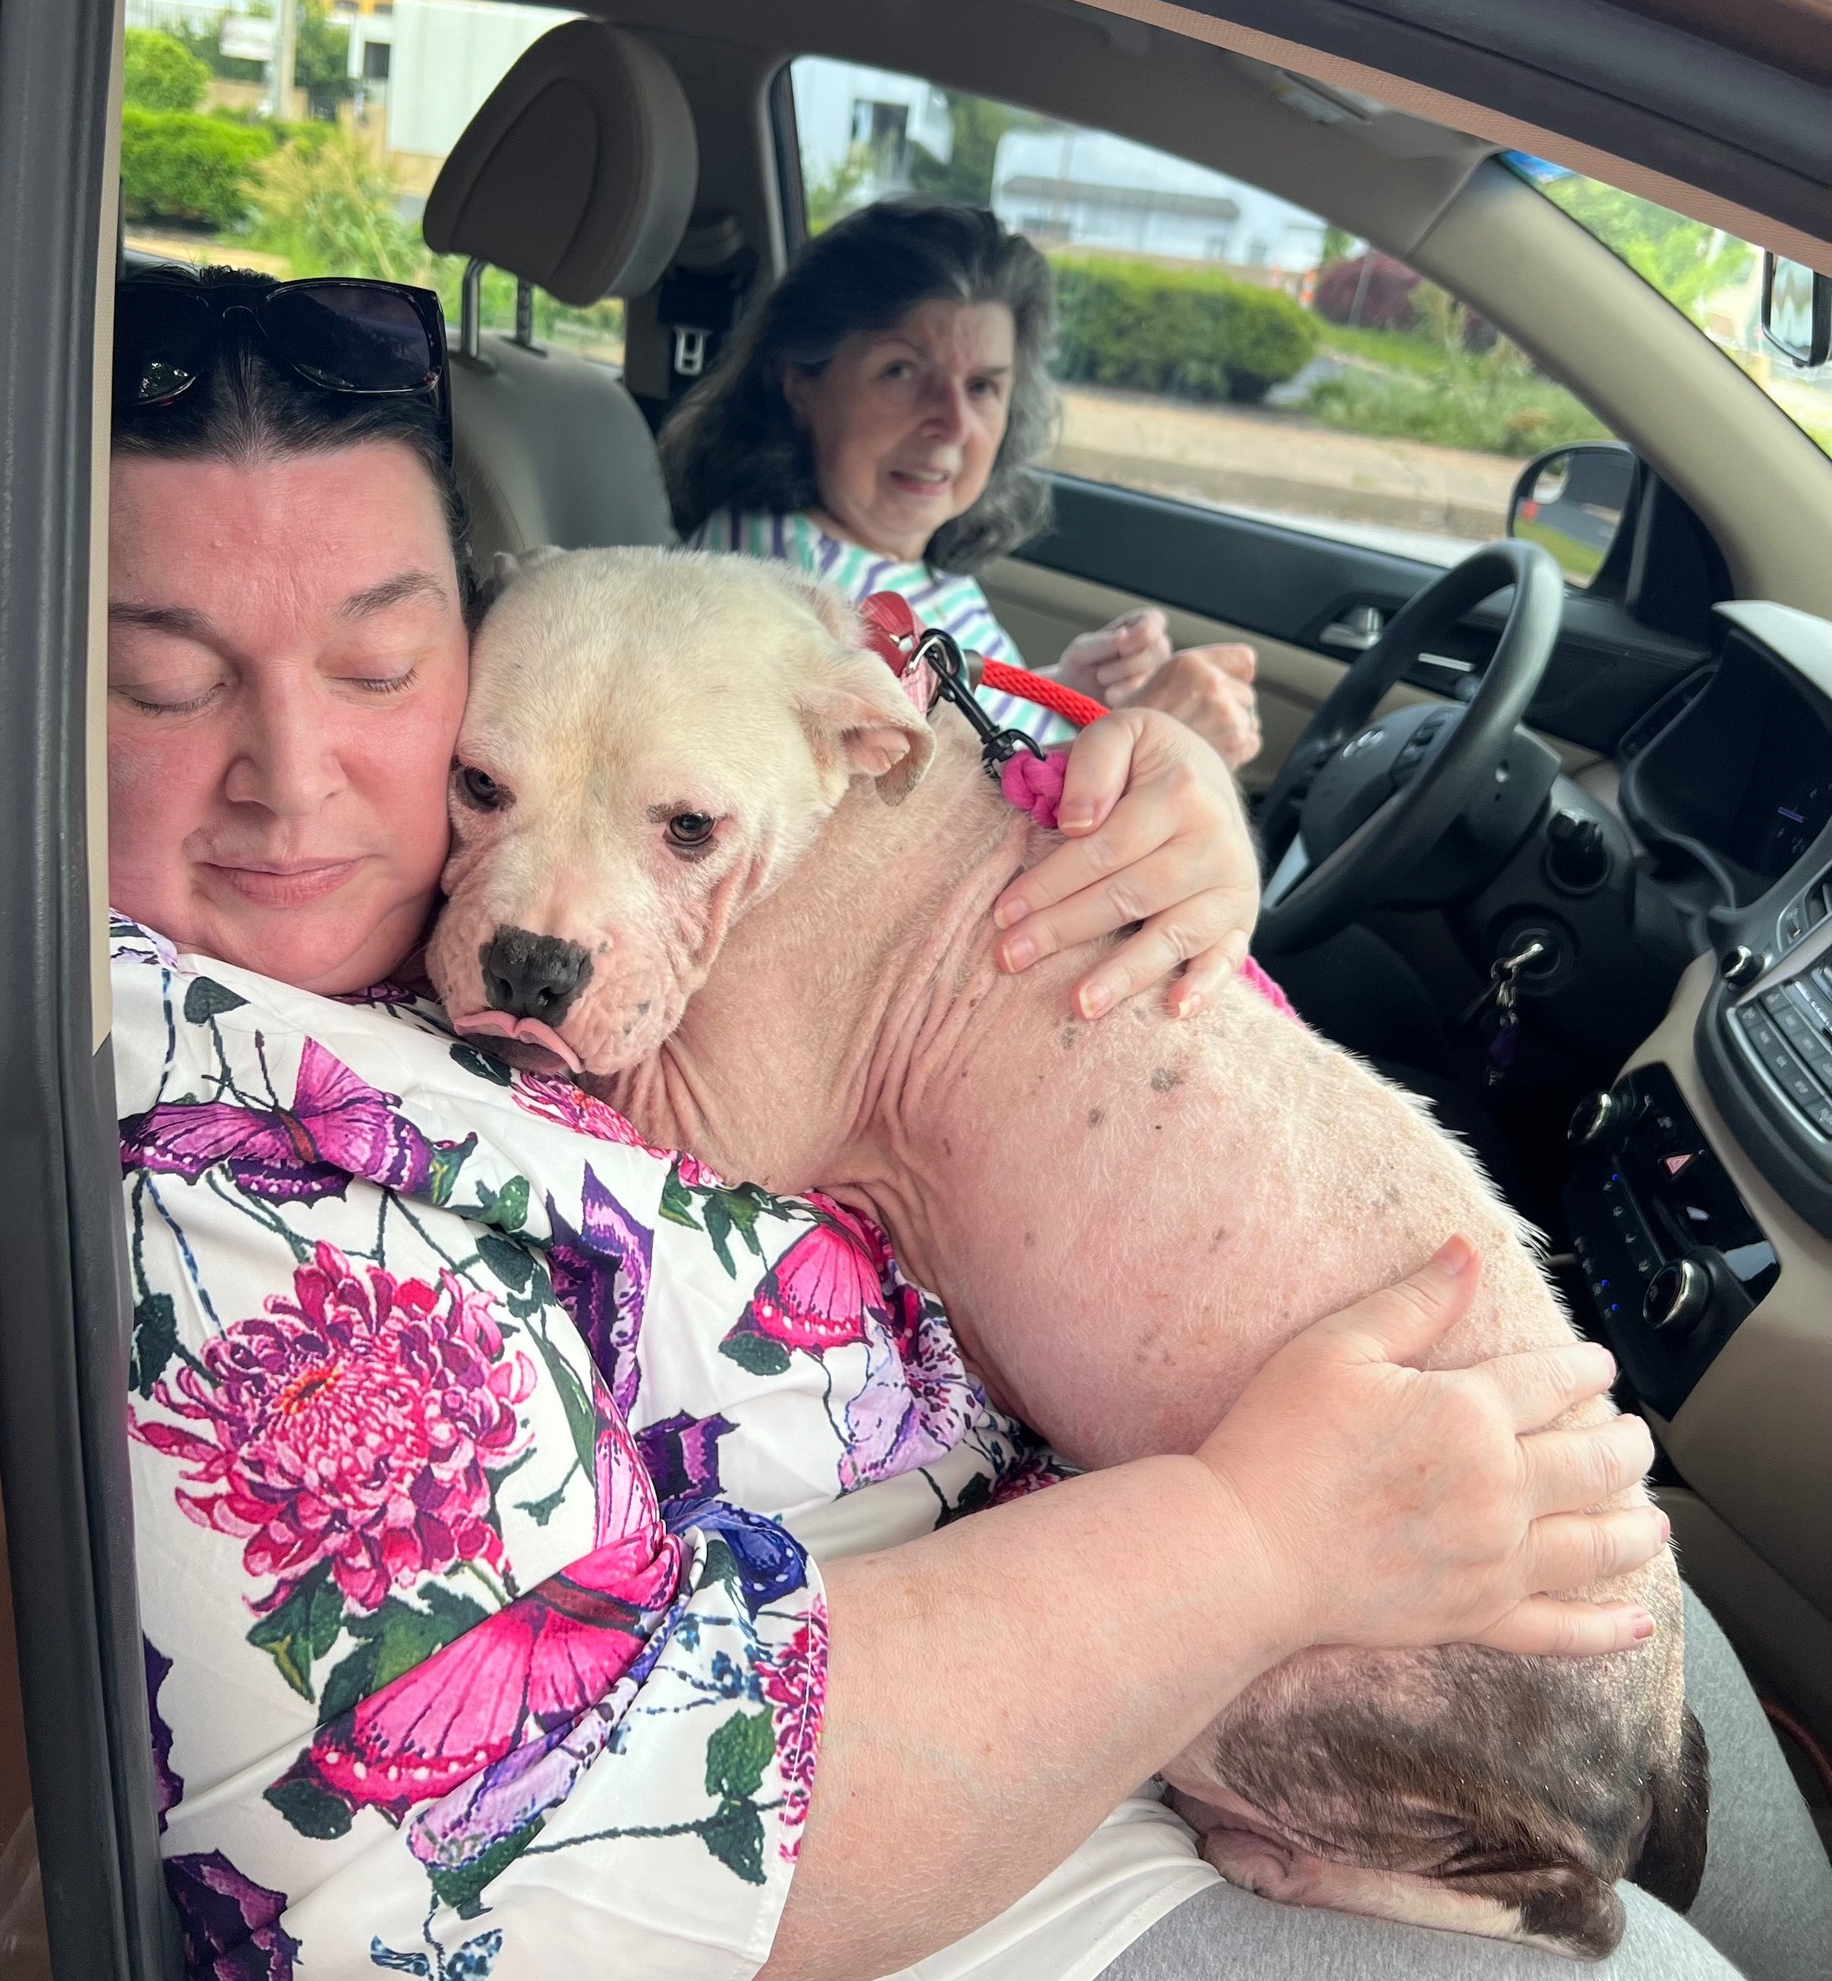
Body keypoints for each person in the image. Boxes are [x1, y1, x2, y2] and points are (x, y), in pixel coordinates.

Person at [106, 265, 1830, 1981]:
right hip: (1004, 1780)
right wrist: (1263, 1535)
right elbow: (564, 1850)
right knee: (1652, 1949)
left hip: (1224, 1469)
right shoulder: (195, 1156)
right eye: (163, 680)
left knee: (1688, 1713)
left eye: (383, 667)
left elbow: (851, 840)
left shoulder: (550, 813)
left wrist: (1129, 793)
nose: (298, 774)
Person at [660, 198, 1263, 772]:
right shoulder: (783, 588)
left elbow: (956, 738)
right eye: (900, 372)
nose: (952, 423)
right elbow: (891, 846)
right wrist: (1146, 738)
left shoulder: (886, 552)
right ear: (799, 383)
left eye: (982, 387)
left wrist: (1061, 691)